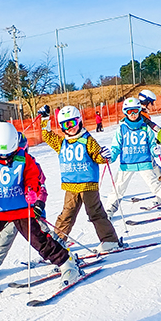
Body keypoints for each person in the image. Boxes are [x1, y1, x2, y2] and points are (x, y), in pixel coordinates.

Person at [0, 122, 81, 297]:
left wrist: (32, 191)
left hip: (21, 209)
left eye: (9, 154)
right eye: (1, 154)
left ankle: (67, 264)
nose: (5, 158)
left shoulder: (25, 159)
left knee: (39, 240)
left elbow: (33, 179)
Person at [40, 105, 120, 253]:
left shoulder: (87, 140)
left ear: (80, 121)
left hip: (87, 184)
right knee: (66, 215)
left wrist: (103, 156)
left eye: (73, 122)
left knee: (95, 212)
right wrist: (45, 119)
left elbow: (97, 156)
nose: (70, 127)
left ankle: (109, 240)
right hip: (70, 185)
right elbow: (47, 136)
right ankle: (57, 242)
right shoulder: (61, 143)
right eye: (65, 124)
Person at [103, 98, 161, 217]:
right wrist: (110, 158)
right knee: (118, 187)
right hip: (127, 164)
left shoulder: (145, 128)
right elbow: (116, 147)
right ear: (125, 113)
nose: (133, 115)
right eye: (129, 112)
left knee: (155, 185)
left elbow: (152, 144)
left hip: (144, 162)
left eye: (135, 111)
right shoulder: (121, 129)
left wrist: (155, 151)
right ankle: (109, 209)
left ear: (139, 110)